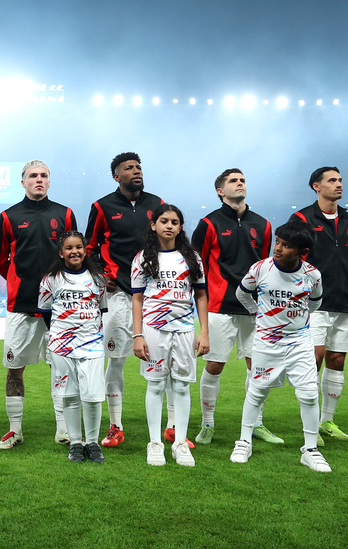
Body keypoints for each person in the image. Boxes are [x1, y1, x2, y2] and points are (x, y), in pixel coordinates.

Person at [231, 221, 331, 472]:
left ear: (302, 252)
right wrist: (258, 314)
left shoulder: (312, 274)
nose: (278, 248)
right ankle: (244, 441)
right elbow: (242, 294)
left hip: (299, 342)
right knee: (257, 391)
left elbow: (315, 304)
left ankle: (310, 450)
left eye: (287, 246)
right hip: (267, 342)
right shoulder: (260, 268)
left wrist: (296, 321)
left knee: (308, 394)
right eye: (278, 242)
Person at [191, 168, 280, 445]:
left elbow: (266, 265)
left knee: (258, 367)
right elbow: (198, 266)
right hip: (219, 306)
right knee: (215, 365)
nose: (240, 183)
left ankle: (256, 423)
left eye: (242, 180)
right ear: (220, 191)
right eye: (233, 181)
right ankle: (207, 423)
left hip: (255, 308)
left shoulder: (263, 225)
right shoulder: (208, 224)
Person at [0, 160, 77, 449]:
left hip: (61, 305)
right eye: (33, 176)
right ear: (23, 182)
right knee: (14, 368)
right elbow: (0, 260)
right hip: (22, 305)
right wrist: (23, 283)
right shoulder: (8, 216)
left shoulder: (64, 214)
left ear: (49, 181)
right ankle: (15, 430)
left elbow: (74, 253)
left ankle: (64, 429)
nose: (38, 180)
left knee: (63, 366)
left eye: (43, 176)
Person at [84, 151, 165, 449]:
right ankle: (116, 425)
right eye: (129, 168)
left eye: (139, 167)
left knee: (161, 358)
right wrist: (99, 273)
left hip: (154, 295)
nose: (136, 171)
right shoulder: (102, 206)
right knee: (116, 360)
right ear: (117, 176)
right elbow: (90, 246)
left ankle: (170, 427)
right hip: (118, 296)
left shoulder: (157, 204)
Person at [288, 166, 348, 444]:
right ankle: (309, 423)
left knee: (337, 359)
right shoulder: (302, 218)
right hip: (313, 303)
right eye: (332, 180)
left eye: (340, 179)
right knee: (314, 358)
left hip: (345, 299)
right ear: (316, 186)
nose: (339, 184)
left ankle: (327, 421)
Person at [131, 206, 208, 467]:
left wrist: (204, 332)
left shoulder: (192, 258)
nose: (170, 225)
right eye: (164, 221)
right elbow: (138, 298)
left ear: (180, 227)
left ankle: (180, 443)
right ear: (153, 225)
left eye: (175, 222)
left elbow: (200, 295)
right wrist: (137, 334)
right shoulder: (142, 258)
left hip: (185, 329)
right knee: (155, 385)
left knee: (182, 386)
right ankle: (155, 443)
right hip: (153, 329)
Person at [40, 232, 109, 463]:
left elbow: (101, 311)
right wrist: (62, 335)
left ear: (85, 249)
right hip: (62, 345)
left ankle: (93, 442)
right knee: (69, 395)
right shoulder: (51, 279)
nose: (74, 251)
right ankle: (76, 443)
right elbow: (46, 312)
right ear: (61, 253)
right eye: (69, 248)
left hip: (91, 345)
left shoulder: (97, 278)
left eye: (78, 247)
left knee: (92, 396)